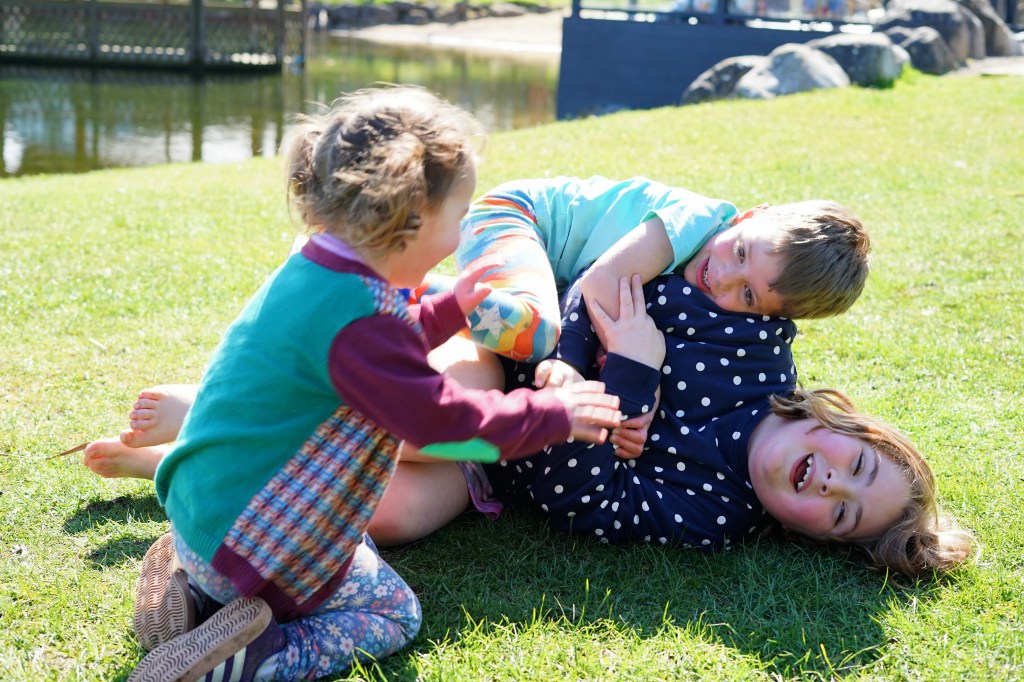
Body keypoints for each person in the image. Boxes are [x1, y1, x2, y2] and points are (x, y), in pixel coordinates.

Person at [125, 86, 622, 682]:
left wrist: (449, 311)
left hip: (202, 518)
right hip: (249, 547)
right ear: (410, 217)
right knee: (393, 612)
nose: (462, 236)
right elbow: (444, 424)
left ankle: (199, 602)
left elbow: (380, 343)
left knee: (351, 539)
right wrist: (555, 415)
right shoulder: (362, 323)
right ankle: (255, 655)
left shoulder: (319, 266)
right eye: (459, 216)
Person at [490, 274, 972, 576]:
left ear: (810, 537)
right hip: (526, 316)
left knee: (432, 498)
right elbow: (621, 283)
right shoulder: (757, 347)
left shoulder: (716, 515)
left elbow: (581, 500)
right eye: (860, 466)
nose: (833, 484)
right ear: (850, 426)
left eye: (843, 514)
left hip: (485, 449)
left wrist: (631, 374)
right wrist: (574, 358)